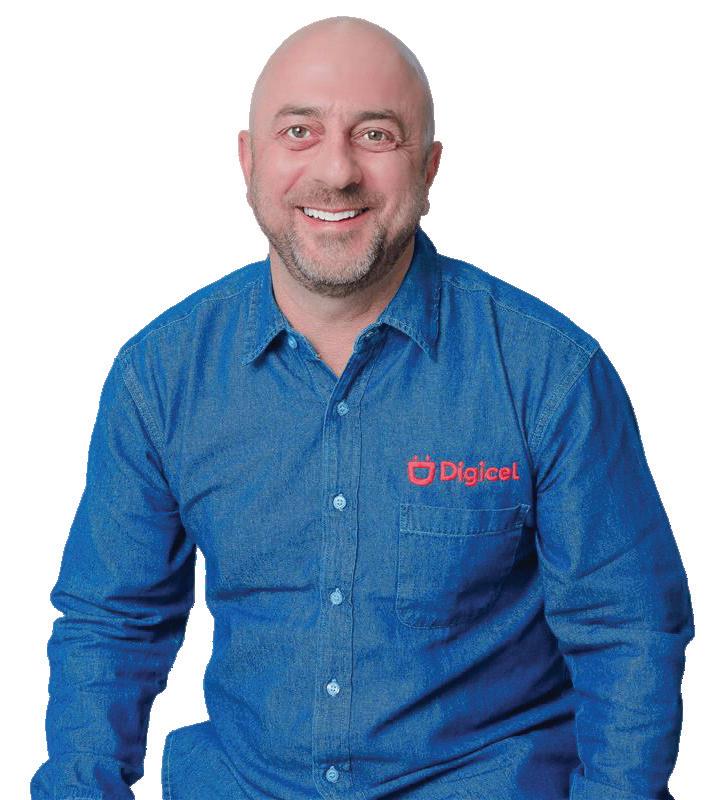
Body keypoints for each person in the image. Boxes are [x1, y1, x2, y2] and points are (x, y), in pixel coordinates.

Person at [30, 15, 695, 800]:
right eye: (299, 131)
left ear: (429, 168)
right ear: (248, 160)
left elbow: (628, 633)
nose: (336, 171)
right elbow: (111, 626)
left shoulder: (548, 374)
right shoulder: (161, 376)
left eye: (376, 135)